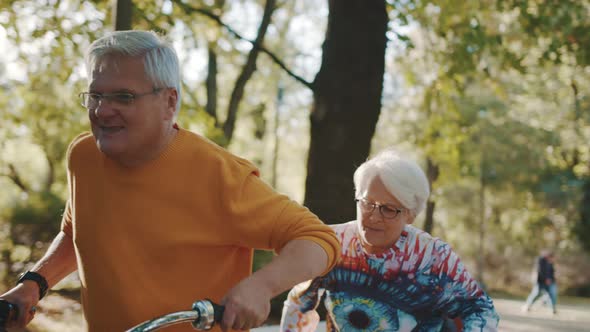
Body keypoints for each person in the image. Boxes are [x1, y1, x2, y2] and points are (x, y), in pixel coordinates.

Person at [0, 30, 340, 332]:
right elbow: (77, 233)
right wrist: (34, 284)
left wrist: (262, 286)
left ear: (169, 101)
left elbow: (318, 238)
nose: (102, 111)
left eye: (124, 97)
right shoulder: (83, 156)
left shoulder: (220, 174)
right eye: (96, 96)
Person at [280, 150, 500, 331]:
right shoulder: (333, 243)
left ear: (410, 214)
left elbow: (479, 309)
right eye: (367, 203)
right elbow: (299, 302)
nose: (374, 217)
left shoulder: (433, 258)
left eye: (389, 209)